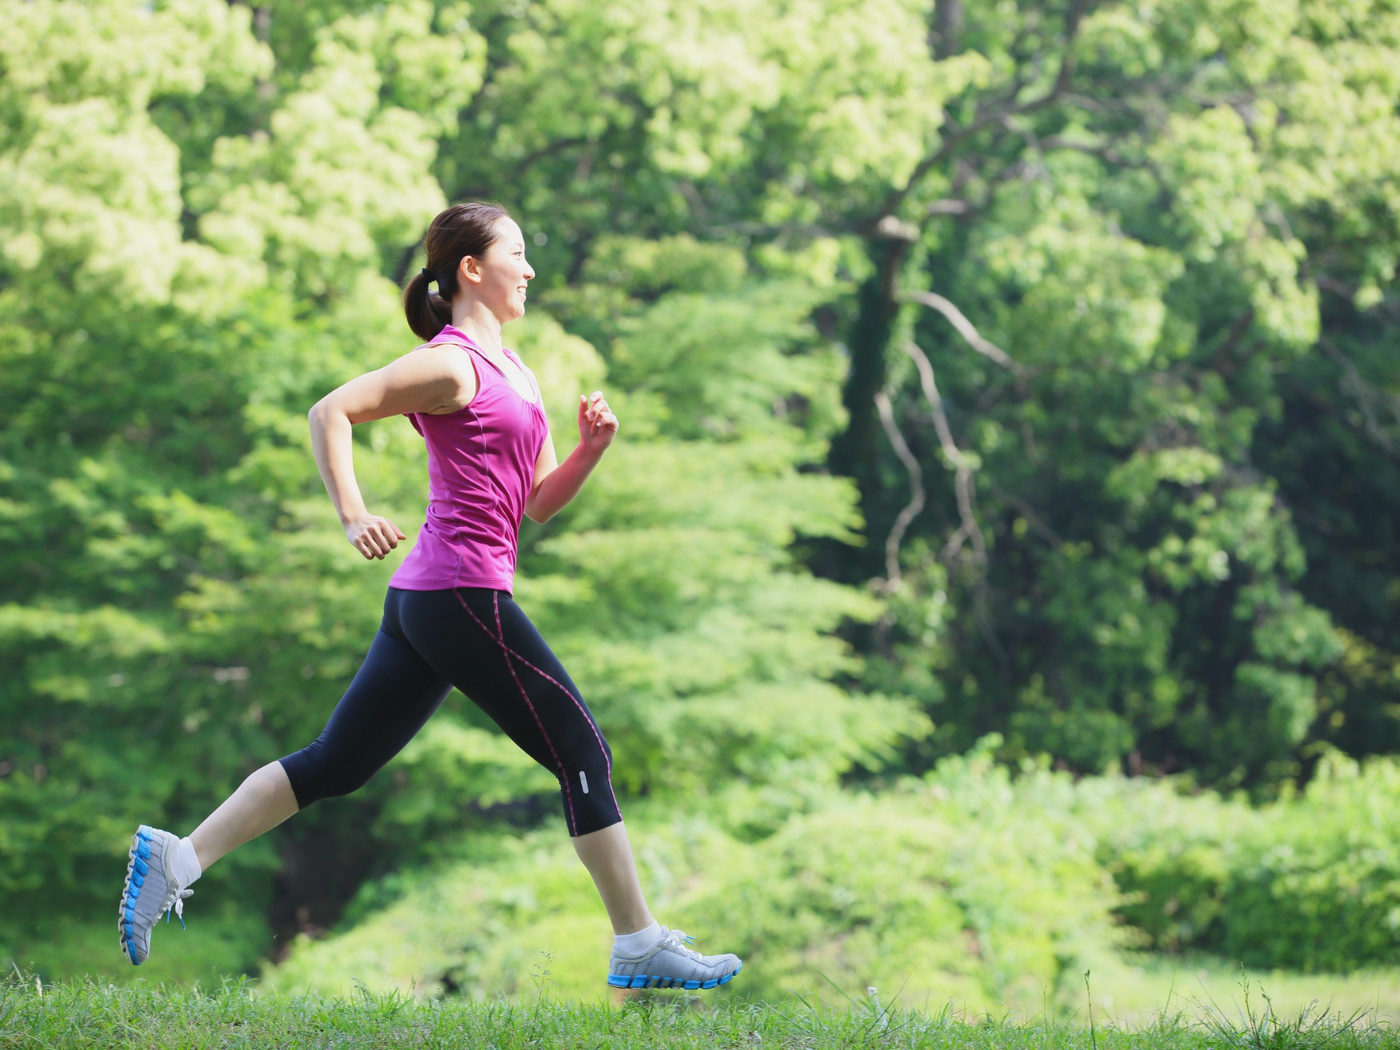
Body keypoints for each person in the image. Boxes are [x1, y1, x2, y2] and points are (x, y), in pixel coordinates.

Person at [118, 201, 742, 992]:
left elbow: (539, 503)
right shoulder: (452, 365)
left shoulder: (516, 370)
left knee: (336, 763)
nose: (530, 268)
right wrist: (352, 513)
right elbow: (331, 410)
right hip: (459, 595)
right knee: (582, 752)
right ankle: (638, 943)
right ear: (471, 270)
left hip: (429, 600)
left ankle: (177, 857)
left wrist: (590, 451)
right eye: (517, 252)